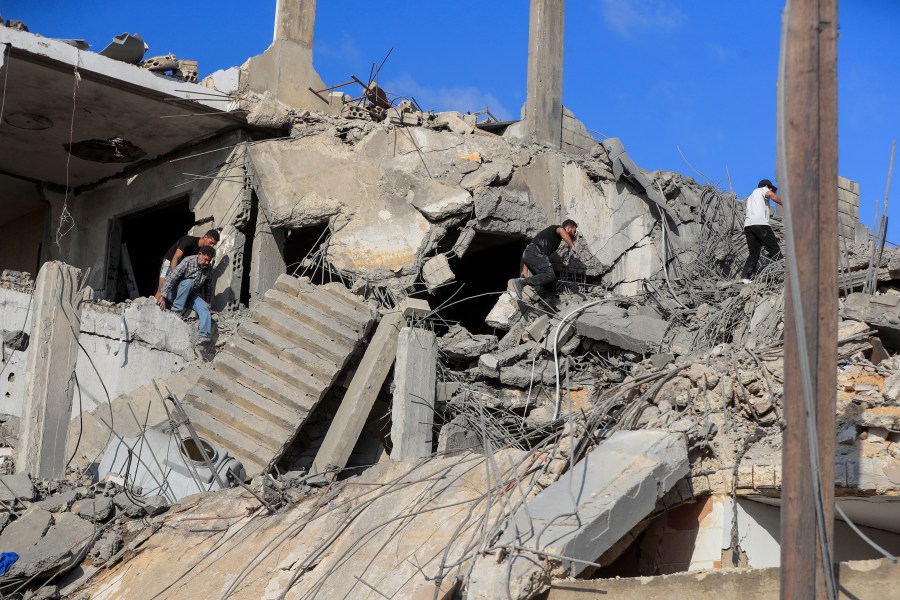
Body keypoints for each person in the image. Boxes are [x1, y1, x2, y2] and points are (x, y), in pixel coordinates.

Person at [160, 246, 216, 345]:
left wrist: (208, 305)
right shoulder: (188, 261)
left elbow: (209, 290)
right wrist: (162, 296)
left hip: (191, 296)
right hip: (176, 292)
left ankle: (204, 335)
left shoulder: (209, 270)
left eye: (209, 261)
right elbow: (172, 278)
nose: (207, 263)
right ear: (199, 255)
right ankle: (176, 312)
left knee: (204, 307)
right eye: (206, 260)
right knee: (189, 283)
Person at [510, 219, 579, 298]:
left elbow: (529, 254)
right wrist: (572, 246)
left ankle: (547, 303)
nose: (574, 235)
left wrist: (524, 270)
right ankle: (521, 283)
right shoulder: (557, 228)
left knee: (550, 284)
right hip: (534, 252)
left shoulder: (553, 239)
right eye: (574, 231)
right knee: (549, 275)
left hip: (531, 254)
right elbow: (561, 230)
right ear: (568, 228)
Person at [154, 229, 220, 307]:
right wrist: (174, 276)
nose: (212, 246)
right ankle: (153, 307)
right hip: (171, 261)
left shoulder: (203, 252)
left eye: (214, 244)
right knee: (162, 288)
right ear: (205, 237)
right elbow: (176, 258)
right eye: (211, 243)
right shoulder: (188, 240)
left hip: (182, 266)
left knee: (174, 294)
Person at [741, 179, 783, 283]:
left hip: (749, 225)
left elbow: (758, 216)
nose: (773, 192)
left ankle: (744, 278)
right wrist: (783, 203)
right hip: (760, 224)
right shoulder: (762, 190)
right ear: (767, 186)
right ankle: (784, 274)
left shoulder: (752, 197)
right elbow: (770, 195)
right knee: (775, 251)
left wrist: (772, 234)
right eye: (772, 189)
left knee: (754, 253)